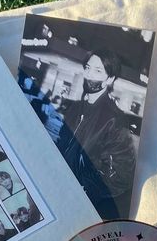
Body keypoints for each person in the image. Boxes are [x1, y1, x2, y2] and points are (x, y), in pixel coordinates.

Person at [57, 49, 136, 219]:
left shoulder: (114, 119)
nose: (89, 74)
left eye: (98, 71)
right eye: (87, 68)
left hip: (80, 203)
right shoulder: (75, 108)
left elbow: (120, 174)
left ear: (110, 79)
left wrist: (81, 188)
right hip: (56, 188)